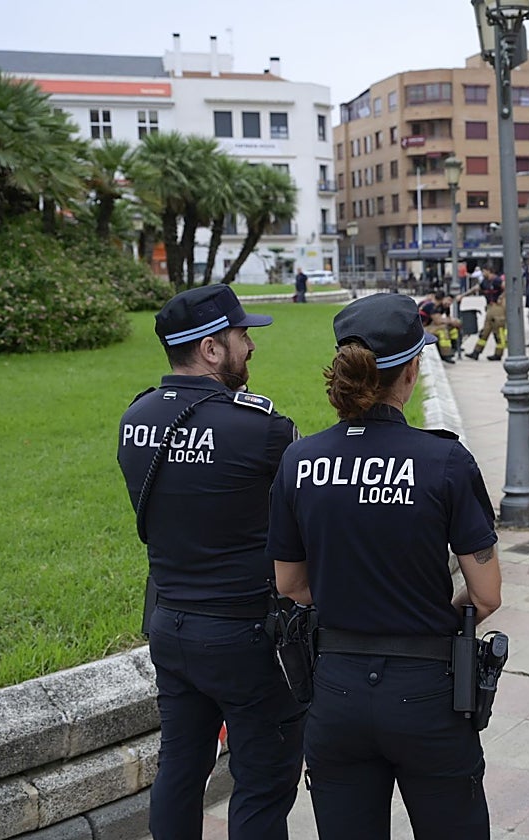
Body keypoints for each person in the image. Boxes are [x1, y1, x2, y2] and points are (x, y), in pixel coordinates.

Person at [267, 293, 502, 839]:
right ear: (412, 371)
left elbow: (290, 584)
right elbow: (487, 595)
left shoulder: (299, 462)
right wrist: (433, 609)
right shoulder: (445, 460)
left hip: (335, 691)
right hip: (427, 692)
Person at [117, 285, 305, 840]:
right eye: (242, 334)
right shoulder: (263, 427)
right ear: (211, 349)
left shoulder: (136, 418)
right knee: (263, 778)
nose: (250, 344)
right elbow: (302, 525)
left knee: (178, 767)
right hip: (244, 633)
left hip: (169, 627)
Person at [463, 265, 506, 362]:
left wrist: (501, 297)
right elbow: (476, 289)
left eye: (484, 271)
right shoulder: (485, 282)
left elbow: (507, 288)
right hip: (490, 308)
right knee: (485, 331)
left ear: (489, 271)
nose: (482, 273)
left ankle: (498, 354)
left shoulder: (497, 280)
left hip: (497, 308)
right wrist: (463, 296)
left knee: (499, 331)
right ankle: (476, 352)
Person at [419, 291, 463, 363]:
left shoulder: (443, 306)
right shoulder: (432, 305)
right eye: (448, 300)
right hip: (421, 328)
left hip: (428, 326)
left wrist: (453, 321)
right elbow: (438, 321)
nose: (449, 303)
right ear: (443, 299)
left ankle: (455, 347)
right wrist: (451, 321)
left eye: (451, 302)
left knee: (452, 328)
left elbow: (448, 318)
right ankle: (446, 355)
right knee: (442, 329)